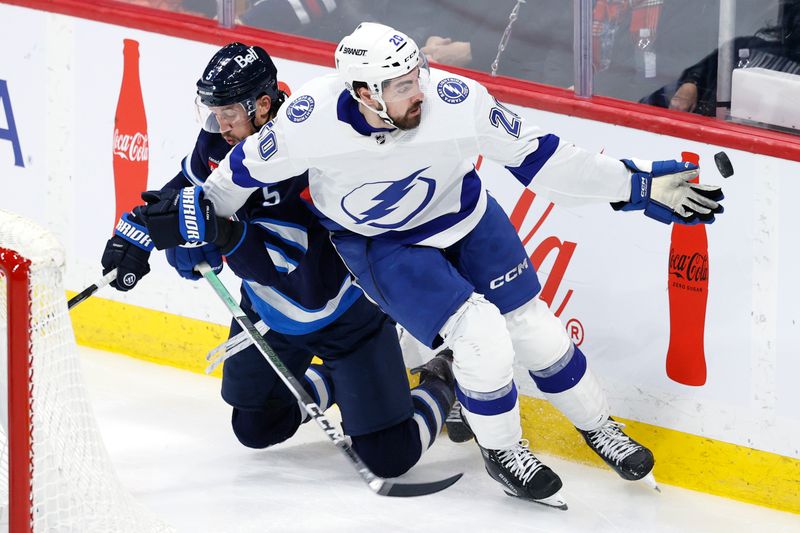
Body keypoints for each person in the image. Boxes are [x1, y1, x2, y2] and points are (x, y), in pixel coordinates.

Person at [135, 23, 724, 508]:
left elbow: (540, 159)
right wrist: (193, 233)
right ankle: (503, 451)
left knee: (535, 327)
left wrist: (635, 185)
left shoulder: (456, 99)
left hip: (465, 217)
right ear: (364, 93)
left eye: (416, 74)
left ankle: (598, 426)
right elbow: (221, 187)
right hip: (383, 247)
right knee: (482, 334)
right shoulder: (305, 122)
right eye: (400, 85)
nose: (418, 90)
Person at [100, 42, 462, 480]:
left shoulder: (309, 146)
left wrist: (215, 234)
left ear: (263, 105)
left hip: (345, 314)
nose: (219, 123)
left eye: (229, 111)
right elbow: (187, 189)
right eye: (212, 111)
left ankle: (444, 381)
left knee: (389, 458)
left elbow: (285, 256)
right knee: (256, 426)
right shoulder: (220, 137)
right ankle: (333, 381)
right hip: (271, 312)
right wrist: (139, 231)